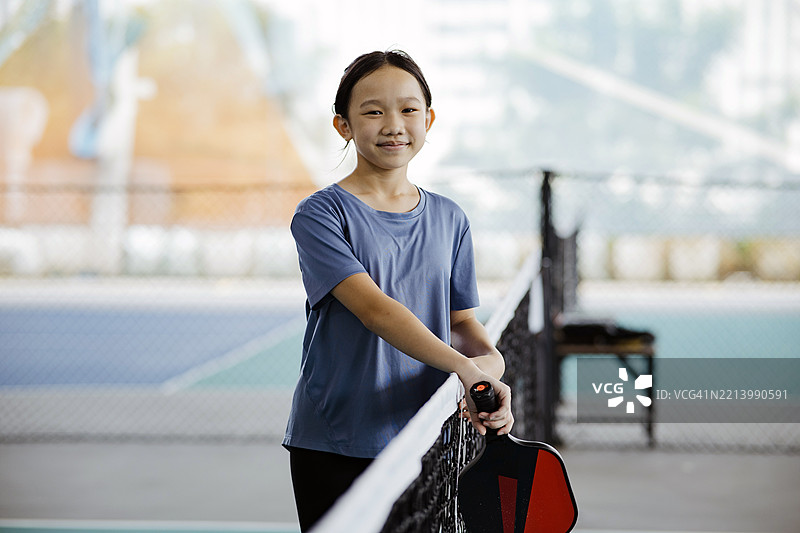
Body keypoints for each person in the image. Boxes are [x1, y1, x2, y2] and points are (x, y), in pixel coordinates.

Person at [283, 49, 513, 531]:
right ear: (343, 125)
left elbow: (464, 325)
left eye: (408, 110)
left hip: (425, 438)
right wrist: (463, 368)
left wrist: (490, 374)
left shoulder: (451, 218)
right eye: (372, 111)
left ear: (428, 119)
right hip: (335, 441)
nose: (393, 124)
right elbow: (376, 311)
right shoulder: (320, 215)